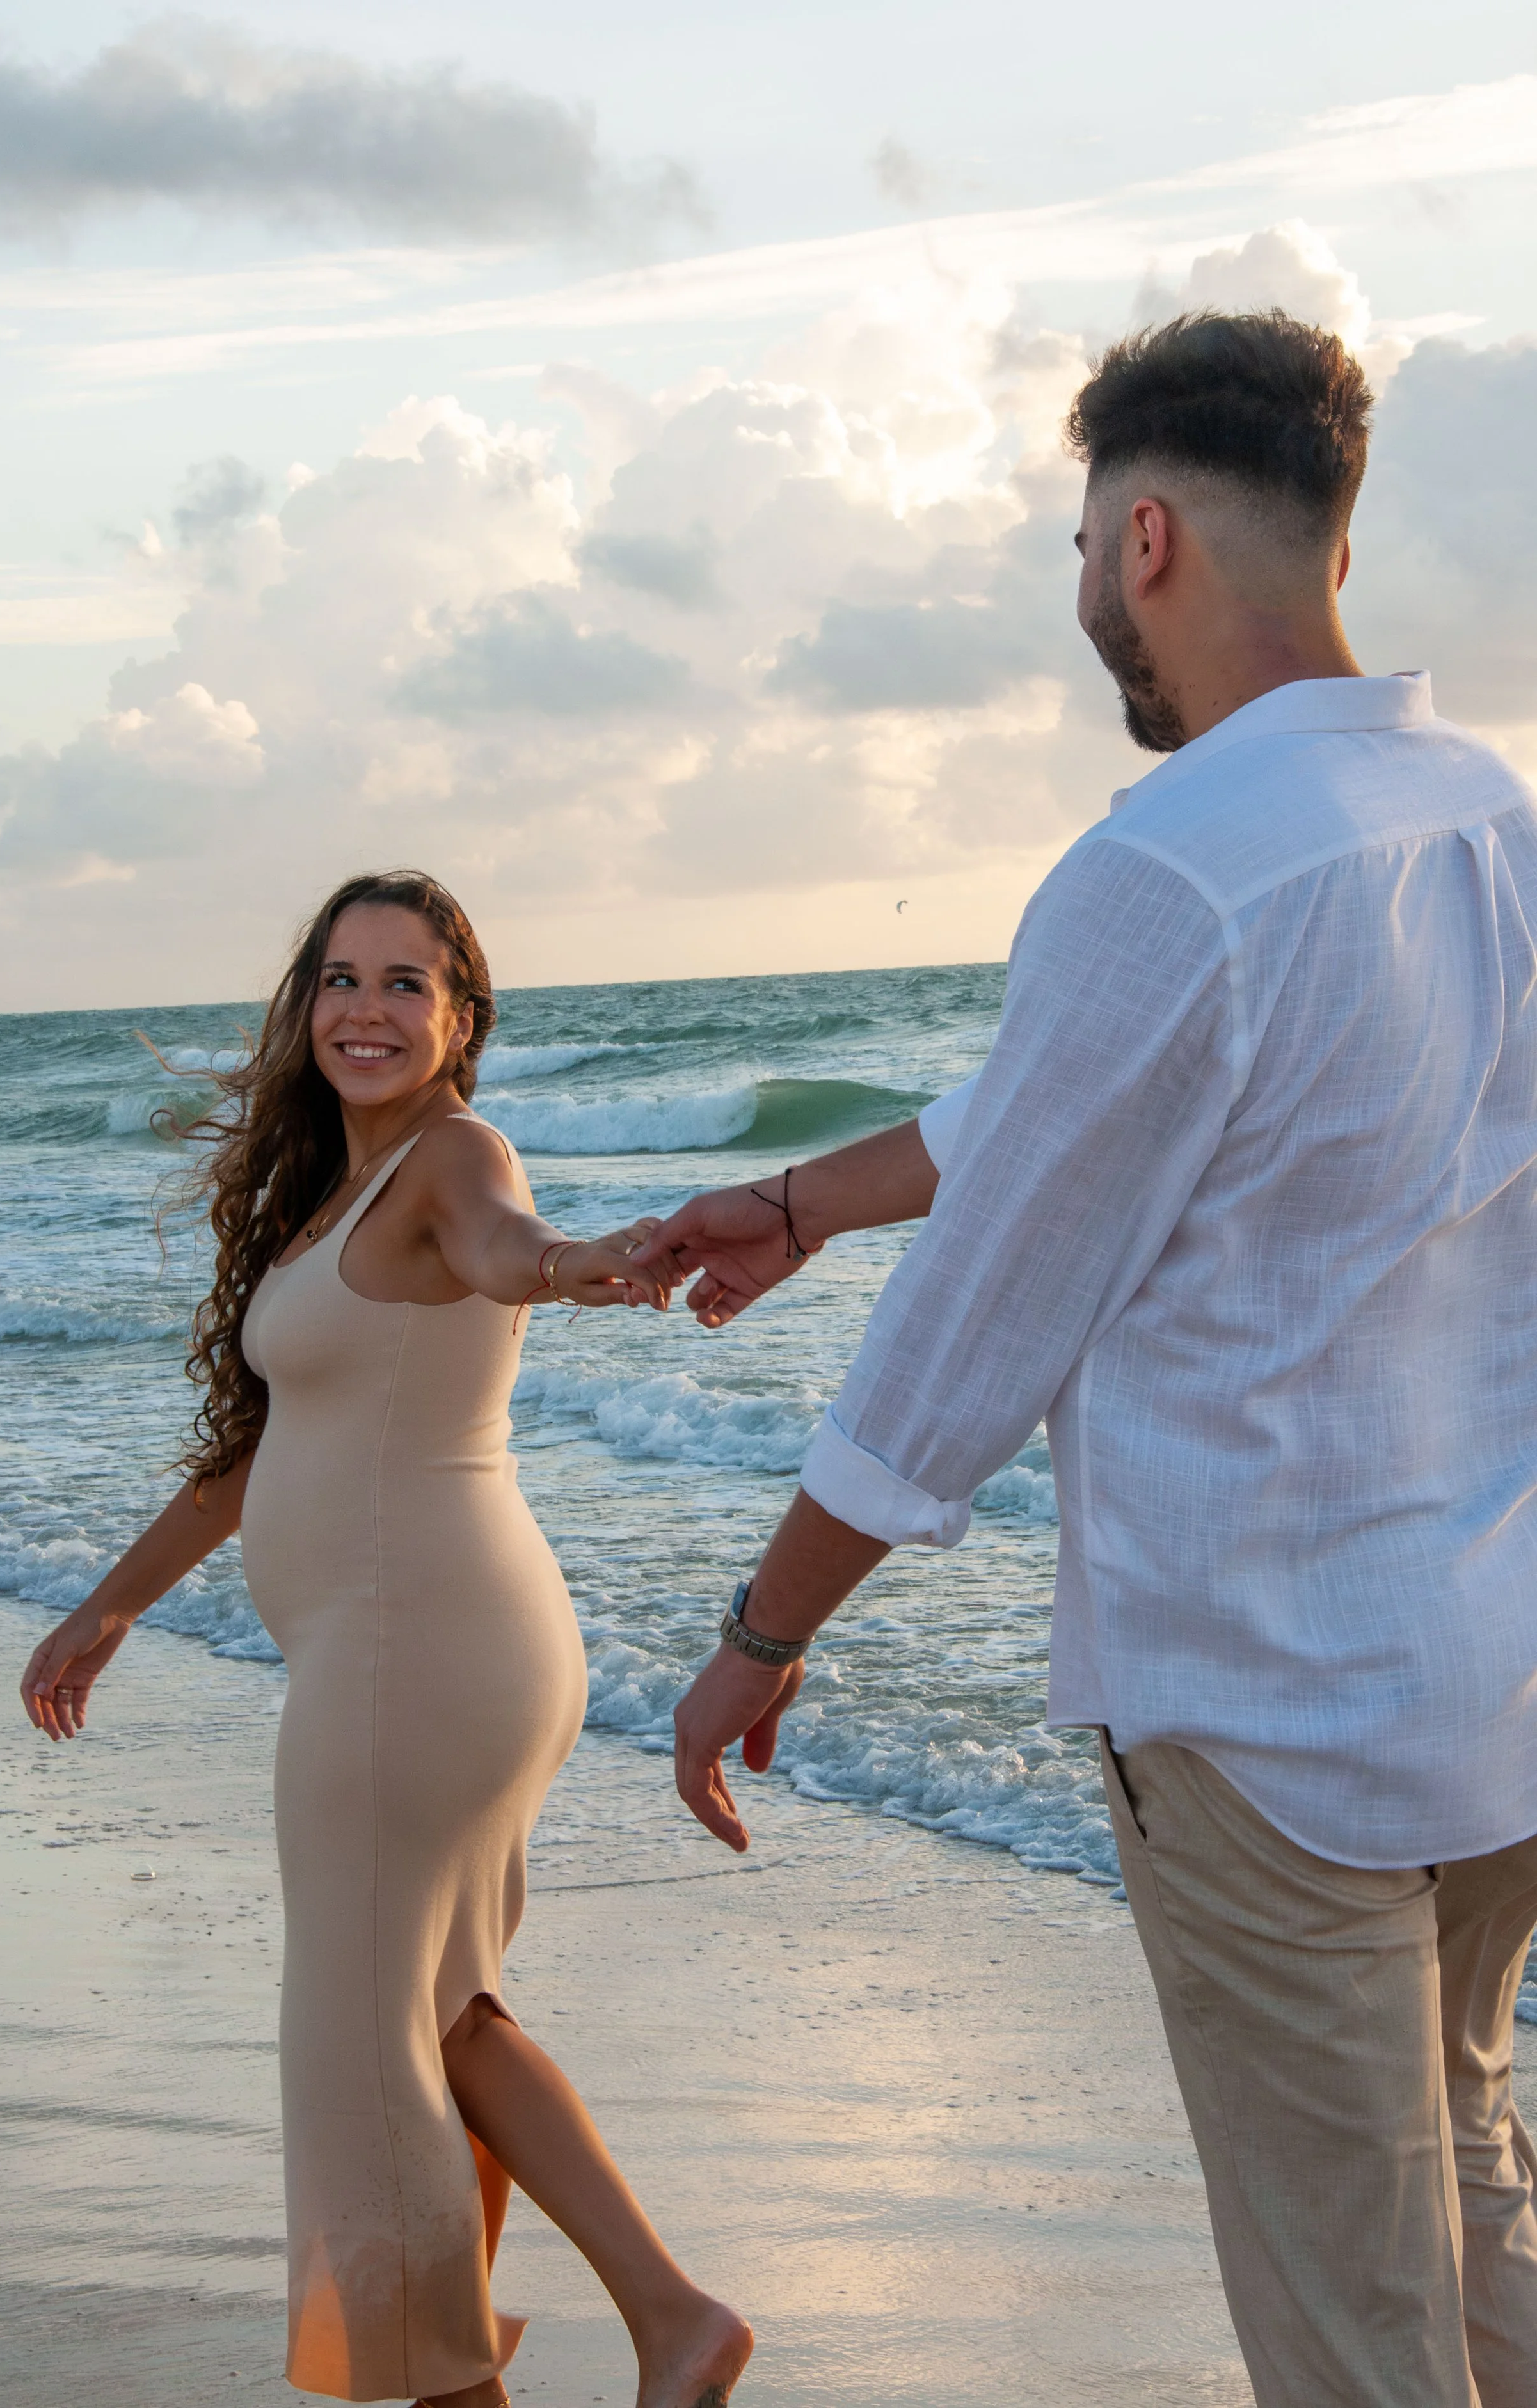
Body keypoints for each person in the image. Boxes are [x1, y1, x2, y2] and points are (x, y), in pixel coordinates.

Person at [635, 313, 1537, 2407]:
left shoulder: (1165, 869)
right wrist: (797, 1200)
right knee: (1470, 2190)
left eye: (1072, 547)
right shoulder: (1484, 819)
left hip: (1267, 1712)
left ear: (1144, 537)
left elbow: (970, 1344)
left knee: (1350, 2319)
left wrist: (761, 1633)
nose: (1074, 600)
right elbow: (1076, 1122)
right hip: (1490, 1684)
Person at [20, 870, 751, 2408]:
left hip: (412, 1656)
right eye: (339, 979)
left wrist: (587, 1260)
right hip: (440, 1648)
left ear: (459, 1017)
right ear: (303, 1010)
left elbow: (506, 1249)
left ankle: (464, 2385)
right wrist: (109, 1604)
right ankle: (672, 2317)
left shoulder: (451, 1159)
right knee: (441, 2018)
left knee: (357, 2057)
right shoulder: (330, 1196)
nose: (366, 1008)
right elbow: (259, 1454)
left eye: (404, 982)